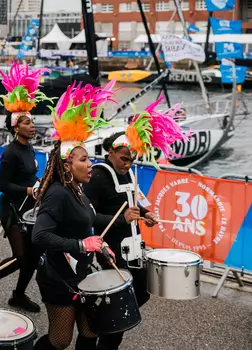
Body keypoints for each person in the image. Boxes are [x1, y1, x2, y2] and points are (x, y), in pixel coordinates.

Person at [84, 95, 187, 350]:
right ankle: (102, 338)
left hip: (134, 247)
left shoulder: (128, 171)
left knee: (141, 293)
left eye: (131, 159)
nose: (128, 163)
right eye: (123, 158)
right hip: (110, 249)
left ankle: (103, 331)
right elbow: (87, 215)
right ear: (111, 152)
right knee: (122, 299)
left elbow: (132, 202)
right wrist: (120, 219)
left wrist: (145, 213)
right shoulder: (98, 176)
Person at [32, 81, 115, 350]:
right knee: (60, 339)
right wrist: (82, 245)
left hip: (81, 271)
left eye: (89, 158)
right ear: (66, 164)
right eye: (82, 160)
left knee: (90, 333)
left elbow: (85, 224)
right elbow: (40, 235)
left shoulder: (78, 190)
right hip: (57, 276)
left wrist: (99, 245)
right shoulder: (57, 193)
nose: (89, 164)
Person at [0, 62, 52, 312]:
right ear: (15, 127)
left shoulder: (29, 148)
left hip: (30, 208)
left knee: (31, 258)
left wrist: (39, 184)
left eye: (32, 122)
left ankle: (18, 296)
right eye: (26, 123)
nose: (32, 125)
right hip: (11, 209)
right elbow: (3, 185)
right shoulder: (10, 152)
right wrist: (27, 190)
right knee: (20, 256)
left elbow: (29, 175)